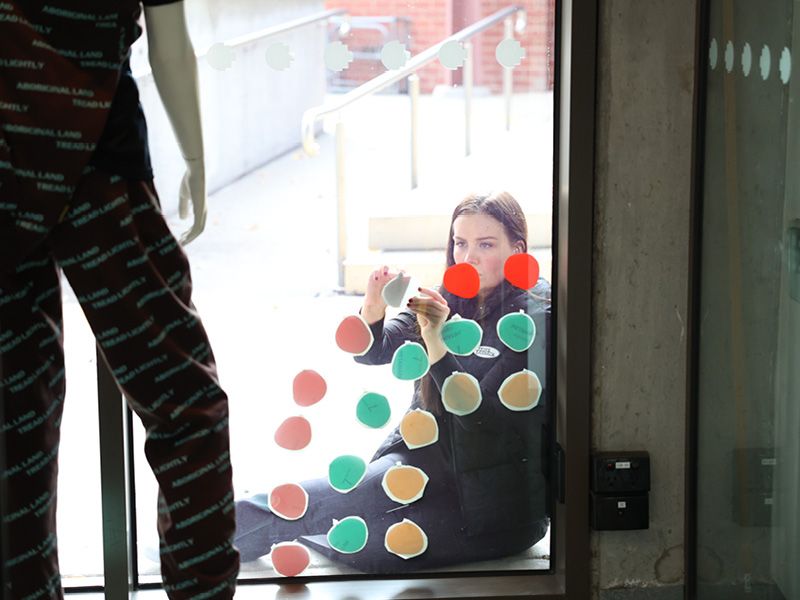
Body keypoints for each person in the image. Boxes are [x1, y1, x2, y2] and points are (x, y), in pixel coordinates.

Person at [0, 2, 239, 598]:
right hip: (97, 158)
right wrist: (195, 158)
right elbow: (168, 35)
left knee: (16, 414)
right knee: (183, 397)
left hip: (20, 152)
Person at [235, 190, 551, 574]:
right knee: (315, 502)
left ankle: (290, 526)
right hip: (421, 462)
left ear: (517, 248)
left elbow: (481, 422)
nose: (468, 257)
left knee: (364, 549)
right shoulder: (454, 293)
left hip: (493, 508)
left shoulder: (533, 320)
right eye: (460, 243)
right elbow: (374, 350)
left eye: (485, 244)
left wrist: (436, 341)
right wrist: (374, 307)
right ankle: (203, 538)